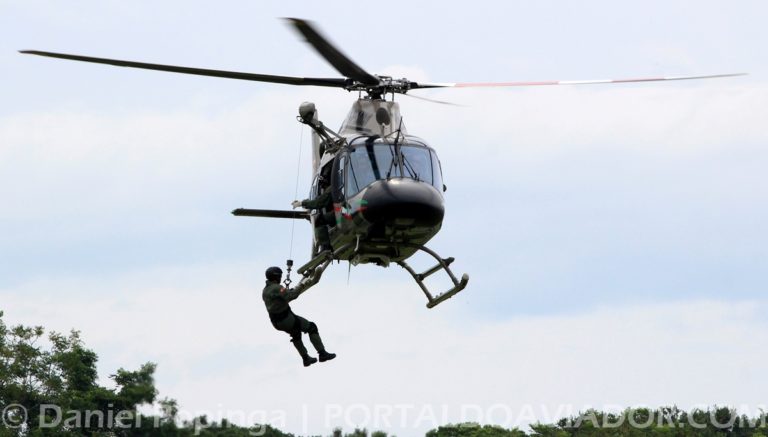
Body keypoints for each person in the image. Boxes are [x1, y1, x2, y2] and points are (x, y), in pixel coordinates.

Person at [262, 266, 336, 367]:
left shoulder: (265, 291)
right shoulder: (277, 288)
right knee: (311, 327)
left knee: (296, 334)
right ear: (277, 277)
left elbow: (280, 298)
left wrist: (288, 291)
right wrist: (301, 285)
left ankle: (306, 359)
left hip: (276, 323)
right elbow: (292, 296)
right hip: (286, 319)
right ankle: (322, 354)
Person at [292, 176, 335, 253]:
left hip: (342, 214)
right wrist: (303, 203)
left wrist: (302, 203)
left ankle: (326, 247)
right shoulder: (332, 188)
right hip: (344, 211)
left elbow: (319, 202)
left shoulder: (331, 189)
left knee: (319, 220)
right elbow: (316, 200)